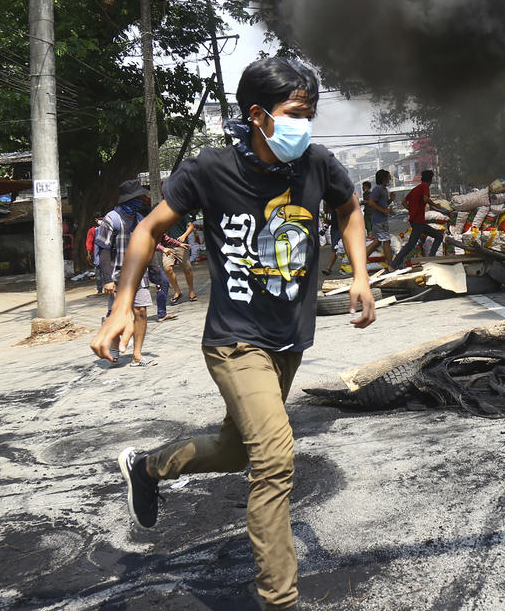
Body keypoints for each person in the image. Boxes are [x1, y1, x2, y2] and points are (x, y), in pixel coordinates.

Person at [91, 56, 375, 611]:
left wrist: (361, 275)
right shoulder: (209, 170)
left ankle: (148, 468)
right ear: (258, 115)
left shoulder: (316, 163)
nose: (306, 123)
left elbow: (350, 210)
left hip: (288, 339)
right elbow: (149, 229)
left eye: (310, 112)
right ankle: (280, 600)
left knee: (233, 449)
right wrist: (122, 305)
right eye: (296, 112)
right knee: (273, 457)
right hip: (233, 339)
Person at [95, 181, 154, 366]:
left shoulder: (140, 219)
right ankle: (113, 348)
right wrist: (107, 280)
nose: (142, 201)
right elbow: (103, 251)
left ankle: (137, 355)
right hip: (117, 277)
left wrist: (155, 273)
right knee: (115, 314)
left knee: (141, 312)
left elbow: (148, 246)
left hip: (140, 276)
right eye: (138, 198)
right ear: (130, 199)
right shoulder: (111, 219)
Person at [390, 170, 447, 269]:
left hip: (416, 221)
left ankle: (431, 259)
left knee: (438, 236)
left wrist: (411, 210)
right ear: (431, 180)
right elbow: (425, 199)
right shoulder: (425, 187)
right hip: (418, 221)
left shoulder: (415, 188)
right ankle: (393, 265)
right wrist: (435, 205)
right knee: (411, 244)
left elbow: (403, 202)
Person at [163, 216, 197, 303]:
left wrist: (184, 235)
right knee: (167, 269)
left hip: (181, 245)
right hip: (167, 247)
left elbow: (191, 226)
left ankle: (191, 290)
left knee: (187, 269)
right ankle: (177, 291)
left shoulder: (181, 212)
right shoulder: (162, 213)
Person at [364, 169, 394, 268]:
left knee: (377, 242)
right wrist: (384, 211)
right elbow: (371, 202)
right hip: (379, 220)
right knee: (386, 242)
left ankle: (360, 260)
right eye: (389, 176)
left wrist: (390, 200)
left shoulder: (384, 189)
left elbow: (383, 204)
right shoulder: (378, 189)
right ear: (384, 178)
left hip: (380, 219)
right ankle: (391, 265)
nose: (390, 178)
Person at [321, 201, 343, 274]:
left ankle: (329, 268)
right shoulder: (330, 207)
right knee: (335, 248)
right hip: (335, 228)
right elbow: (326, 212)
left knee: (336, 248)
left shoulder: (338, 204)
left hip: (341, 228)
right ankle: (329, 268)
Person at [86, 212, 104, 294]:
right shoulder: (92, 230)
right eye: (99, 218)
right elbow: (89, 242)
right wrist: (89, 253)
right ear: (95, 220)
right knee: (98, 273)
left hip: (106, 252)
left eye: (101, 218)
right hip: (97, 254)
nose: (100, 220)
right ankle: (99, 289)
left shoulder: (107, 228)